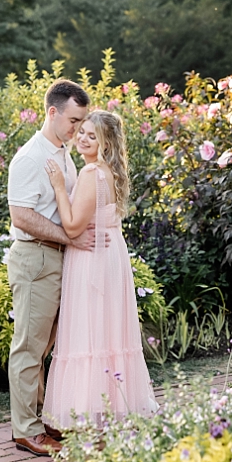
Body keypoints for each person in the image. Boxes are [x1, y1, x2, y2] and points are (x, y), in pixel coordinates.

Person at [6, 79, 104, 457]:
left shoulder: (62, 151)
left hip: (58, 257)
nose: (78, 129)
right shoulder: (30, 157)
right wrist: (71, 239)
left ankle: (39, 419)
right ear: (53, 112)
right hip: (36, 258)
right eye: (74, 120)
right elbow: (22, 216)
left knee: (46, 345)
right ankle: (25, 430)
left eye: (82, 122)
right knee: (29, 347)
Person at [42, 110, 158, 430]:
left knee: (89, 330)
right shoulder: (112, 172)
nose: (83, 138)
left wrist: (59, 188)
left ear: (106, 143)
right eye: (83, 132)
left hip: (91, 258)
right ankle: (112, 406)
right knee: (107, 331)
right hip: (111, 255)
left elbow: (73, 224)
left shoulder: (93, 173)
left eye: (92, 136)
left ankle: (85, 412)